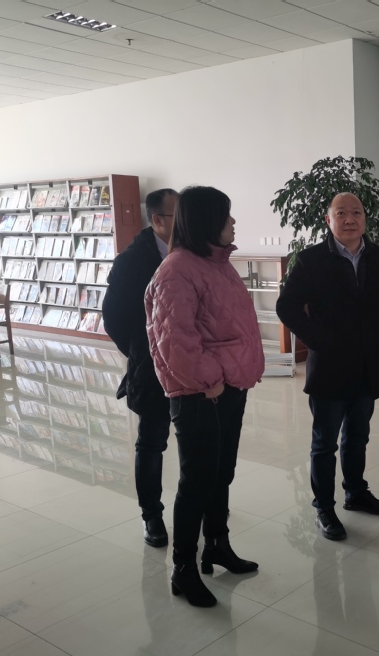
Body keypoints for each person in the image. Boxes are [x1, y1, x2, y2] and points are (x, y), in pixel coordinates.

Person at [145, 186, 265, 607]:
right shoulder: (176, 270)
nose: (233, 223)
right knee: (196, 482)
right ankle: (183, 568)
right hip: (201, 394)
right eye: (226, 216)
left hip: (228, 388)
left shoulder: (217, 263)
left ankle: (216, 545)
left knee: (221, 474)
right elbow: (174, 341)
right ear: (206, 221)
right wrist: (210, 378)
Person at [275, 192, 379, 541]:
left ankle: (356, 492)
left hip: (368, 364)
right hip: (329, 365)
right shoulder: (311, 259)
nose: (349, 219)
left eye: (356, 212)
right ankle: (324, 508)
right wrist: (317, 340)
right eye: (341, 213)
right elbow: (287, 306)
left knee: (358, 435)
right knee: (325, 442)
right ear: (328, 220)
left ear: (365, 218)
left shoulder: (378, 257)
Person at [103, 188, 178, 548]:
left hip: (194, 368)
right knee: (151, 442)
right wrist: (141, 353)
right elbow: (115, 317)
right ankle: (152, 515)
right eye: (179, 215)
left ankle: (200, 502)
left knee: (196, 441)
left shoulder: (192, 251)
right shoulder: (132, 261)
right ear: (158, 220)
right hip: (152, 367)